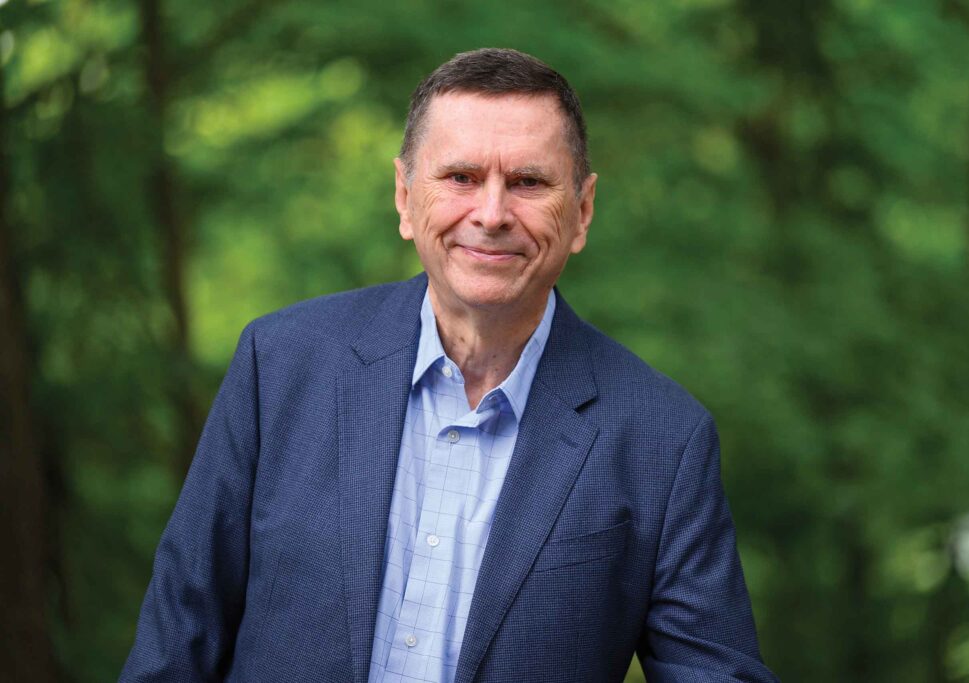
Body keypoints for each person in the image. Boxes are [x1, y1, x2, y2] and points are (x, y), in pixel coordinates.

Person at [121, 48, 778, 683]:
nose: (490, 214)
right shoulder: (280, 366)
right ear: (406, 197)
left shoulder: (663, 440)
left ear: (581, 211)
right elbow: (180, 635)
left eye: (528, 182)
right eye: (461, 177)